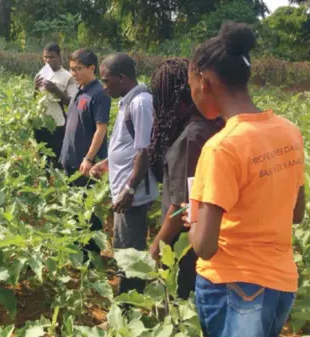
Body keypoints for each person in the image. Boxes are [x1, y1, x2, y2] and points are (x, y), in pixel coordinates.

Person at [183, 22, 305, 337]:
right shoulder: (289, 131)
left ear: (204, 80)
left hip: (233, 286)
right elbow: (297, 212)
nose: (192, 93)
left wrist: (194, 218)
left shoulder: (222, 147)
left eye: (191, 84)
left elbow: (205, 247)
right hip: (280, 284)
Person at [146, 58, 224, 300]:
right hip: (212, 240)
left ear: (177, 100)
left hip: (185, 247)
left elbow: (183, 206)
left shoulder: (191, 137)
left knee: (181, 301)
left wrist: (157, 245)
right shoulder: (213, 125)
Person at [90, 53, 158, 295]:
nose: (104, 86)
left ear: (121, 78)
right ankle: (126, 302)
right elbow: (128, 147)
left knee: (130, 254)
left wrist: (129, 189)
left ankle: (129, 307)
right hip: (124, 192)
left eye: (106, 81)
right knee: (122, 249)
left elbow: (145, 150)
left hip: (132, 195)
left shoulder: (141, 103)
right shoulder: (127, 102)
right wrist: (106, 163)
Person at [60, 48, 110, 258]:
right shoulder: (80, 91)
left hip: (87, 164)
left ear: (92, 68)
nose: (74, 73)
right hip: (71, 161)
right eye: (71, 69)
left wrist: (89, 158)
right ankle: (77, 252)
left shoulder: (99, 93)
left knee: (89, 210)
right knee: (75, 208)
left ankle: (91, 256)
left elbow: (101, 128)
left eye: (78, 69)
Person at [33, 42, 78, 169]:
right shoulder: (41, 74)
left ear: (59, 57)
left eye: (51, 57)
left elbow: (72, 103)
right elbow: (34, 100)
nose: (48, 60)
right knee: (43, 162)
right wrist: (35, 88)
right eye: (45, 57)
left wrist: (56, 90)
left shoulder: (68, 77)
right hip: (40, 124)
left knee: (58, 160)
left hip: (58, 125)